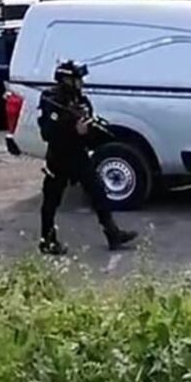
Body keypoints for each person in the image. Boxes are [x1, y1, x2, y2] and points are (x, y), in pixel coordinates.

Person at [37, 60, 137, 256]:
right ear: (67, 79)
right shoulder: (51, 100)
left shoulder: (81, 101)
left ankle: (112, 234)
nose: (81, 83)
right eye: (77, 79)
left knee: (98, 192)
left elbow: (89, 130)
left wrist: (90, 131)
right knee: (51, 199)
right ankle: (47, 240)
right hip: (59, 156)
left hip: (79, 155)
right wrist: (72, 129)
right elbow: (47, 133)